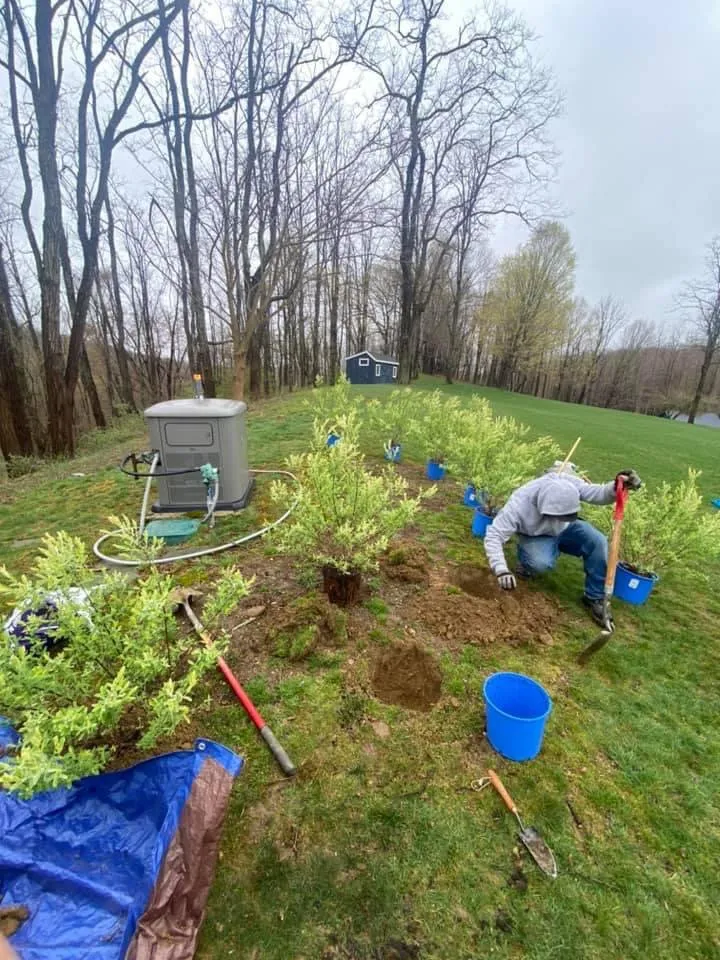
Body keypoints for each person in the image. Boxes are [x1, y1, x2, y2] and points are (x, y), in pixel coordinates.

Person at [484, 468, 642, 624]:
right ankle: (526, 564)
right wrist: (501, 570)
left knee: (598, 541)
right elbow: (494, 536)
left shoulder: (566, 483)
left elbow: (597, 493)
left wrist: (615, 487)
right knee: (539, 563)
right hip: (536, 535)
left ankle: (595, 597)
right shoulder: (519, 505)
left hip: (568, 528)